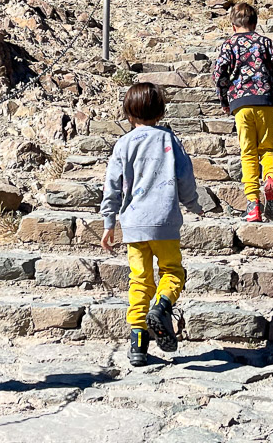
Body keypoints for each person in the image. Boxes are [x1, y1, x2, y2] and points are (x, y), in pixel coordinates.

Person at [100, 81, 202, 366]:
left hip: (133, 225)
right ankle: (162, 306)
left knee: (140, 281)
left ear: (128, 113)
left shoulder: (123, 143)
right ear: (160, 112)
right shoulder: (169, 140)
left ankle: (138, 346)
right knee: (173, 272)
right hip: (165, 222)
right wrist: (194, 204)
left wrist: (109, 222)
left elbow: (112, 186)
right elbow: (185, 177)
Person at [212, 0, 273, 223]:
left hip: (241, 104)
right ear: (255, 23)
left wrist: (224, 99)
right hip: (267, 102)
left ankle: (253, 205)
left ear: (233, 25)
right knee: (268, 148)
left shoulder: (229, 45)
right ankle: (270, 178)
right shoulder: (264, 42)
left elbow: (219, 72)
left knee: (248, 152)